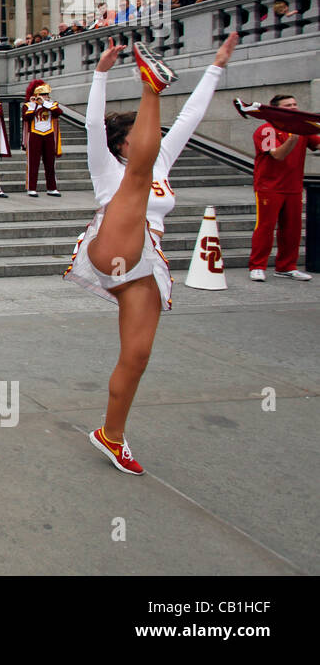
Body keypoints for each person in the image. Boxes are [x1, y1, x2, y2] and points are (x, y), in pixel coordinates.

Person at [64, 32, 238, 476]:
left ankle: (112, 435)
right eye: (144, 133)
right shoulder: (105, 165)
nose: (157, 139)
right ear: (123, 141)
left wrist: (217, 65)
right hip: (114, 248)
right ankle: (150, 86)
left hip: (145, 264)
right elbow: (92, 126)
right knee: (135, 185)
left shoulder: (161, 160)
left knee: (137, 356)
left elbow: (191, 117)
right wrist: (100, 74)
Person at [248, 94, 320, 281]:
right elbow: (278, 155)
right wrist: (293, 138)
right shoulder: (266, 129)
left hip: (294, 186)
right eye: (288, 105)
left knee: (292, 229)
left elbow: (317, 144)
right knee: (265, 227)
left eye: (295, 104)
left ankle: (286, 267)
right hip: (269, 187)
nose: (294, 108)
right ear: (277, 109)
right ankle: (257, 266)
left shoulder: (302, 129)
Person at [22, 80, 63, 197]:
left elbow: (58, 112)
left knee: (50, 162)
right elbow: (26, 117)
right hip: (35, 134)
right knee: (33, 162)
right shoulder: (28, 105)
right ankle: (31, 188)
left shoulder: (52, 104)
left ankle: (52, 187)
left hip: (49, 134)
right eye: (43, 94)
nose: (46, 96)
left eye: (47, 94)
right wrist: (35, 105)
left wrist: (44, 103)